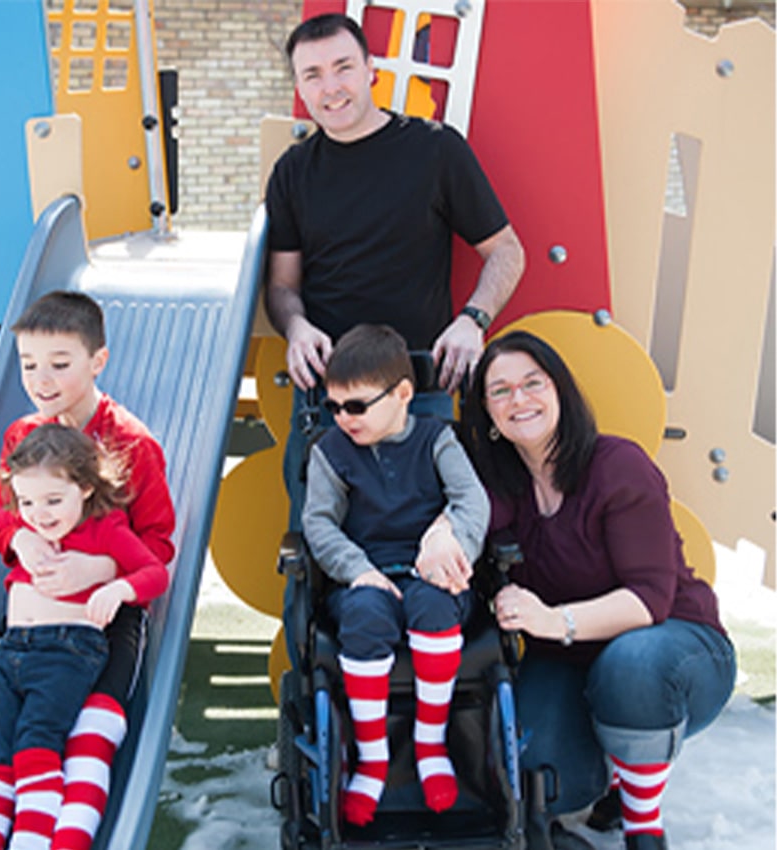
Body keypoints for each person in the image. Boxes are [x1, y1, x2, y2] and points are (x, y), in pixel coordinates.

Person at [0, 291, 175, 850]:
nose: (40, 378)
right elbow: (6, 517)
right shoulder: (20, 436)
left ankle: (59, 833)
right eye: (28, 364)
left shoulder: (133, 443)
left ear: (96, 361)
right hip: (28, 624)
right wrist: (21, 540)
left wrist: (100, 567)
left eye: (59, 364)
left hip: (104, 620)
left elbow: (157, 543)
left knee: (86, 728)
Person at [462, 330, 736, 850]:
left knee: (630, 668)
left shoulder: (617, 466)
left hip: (674, 647)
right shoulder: (501, 484)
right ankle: (615, 770)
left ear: (559, 389)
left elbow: (649, 601)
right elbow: (465, 525)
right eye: (499, 391)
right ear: (488, 415)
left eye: (531, 382)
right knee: (540, 773)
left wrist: (552, 619)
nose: (518, 399)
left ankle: (643, 825)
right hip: (569, 661)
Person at [265, 12, 526, 529]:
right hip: (327, 394)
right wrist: (295, 327)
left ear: (371, 71)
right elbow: (281, 286)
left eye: (343, 67)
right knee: (317, 551)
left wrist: (473, 319)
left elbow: (507, 251)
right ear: (299, 86)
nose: (330, 87)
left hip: (422, 388)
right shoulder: (292, 172)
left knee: (437, 545)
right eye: (312, 74)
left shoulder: (435, 150)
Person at [301, 324, 490, 826]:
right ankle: (373, 756)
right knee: (363, 615)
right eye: (334, 406)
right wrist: (357, 570)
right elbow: (318, 523)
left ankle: (430, 743)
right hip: (366, 574)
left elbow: (471, 501)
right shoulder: (330, 452)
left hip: (434, 571)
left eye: (357, 406)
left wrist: (454, 541)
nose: (343, 418)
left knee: (433, 606)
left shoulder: (437, 439)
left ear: (403, 394)